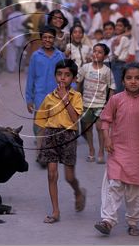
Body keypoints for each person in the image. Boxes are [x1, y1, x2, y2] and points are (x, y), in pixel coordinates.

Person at [94, 62, 139, 237]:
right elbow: (105, 121)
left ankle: (133, 222)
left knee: (136, 191)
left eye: (137, 78)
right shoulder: (116, 99)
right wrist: (107, 138)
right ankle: (108, 221)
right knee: (114, 185)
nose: (133, 81)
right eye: (129, 78)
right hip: (118, 151)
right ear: (123, 80)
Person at [35, 59, 86, 224]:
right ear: (55, 76)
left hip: (68, 137)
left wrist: (65, 98)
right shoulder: (49, 98)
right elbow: (42, 124)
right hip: (51, 136)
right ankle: (55, 211)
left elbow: (74, 119)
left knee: (69, 177)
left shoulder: (76, 97)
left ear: (73, 78)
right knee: (51, 174)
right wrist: (40, 144)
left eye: (67, 75)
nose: (62, 78)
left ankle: (78, 192)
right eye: (59, 74)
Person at [26, 26, 65, 159]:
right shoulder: (36, 56)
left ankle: (52, 151)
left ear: (54, 39)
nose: (48, 40)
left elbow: (66, 76)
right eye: (45, 37)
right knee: (41, 126)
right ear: (41, 39)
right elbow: (30, 78)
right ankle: (41, 153)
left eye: (50, 37)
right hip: (40, 96)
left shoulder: (60, 55)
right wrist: (29, 99)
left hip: (56, 96)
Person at [77, 43, 116, 164]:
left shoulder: (107, 71)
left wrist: (109, 105)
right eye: (94, 51)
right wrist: (76, 100)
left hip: (100, 105)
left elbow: (112, 88)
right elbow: (78, 83)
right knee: (87, 129)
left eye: (99, 52)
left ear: (105, 56)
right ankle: (91, 149)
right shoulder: (85, 68)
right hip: (86, 104)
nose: (96, 54)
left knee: (100, 129)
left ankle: (100, 152)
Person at [111, 18, 135, 93]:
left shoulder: (123, 38)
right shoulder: (118, 37)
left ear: (125, 28)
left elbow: (116, 54)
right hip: (117, 64)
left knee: (117, 88)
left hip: (119, 64)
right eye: (117, 25)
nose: (117, 27)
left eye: (120, 26)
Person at [6, 3, 27, 73]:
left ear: (15, 8)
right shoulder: (23, 16)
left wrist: (10, 35)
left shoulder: (10, 16)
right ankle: (19, 67)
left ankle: (11, 68)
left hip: (12, 35)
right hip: (21, 35)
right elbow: (25, 27)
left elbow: (9, 27)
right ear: (20, 8)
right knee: (20, 53)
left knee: (11, 53)